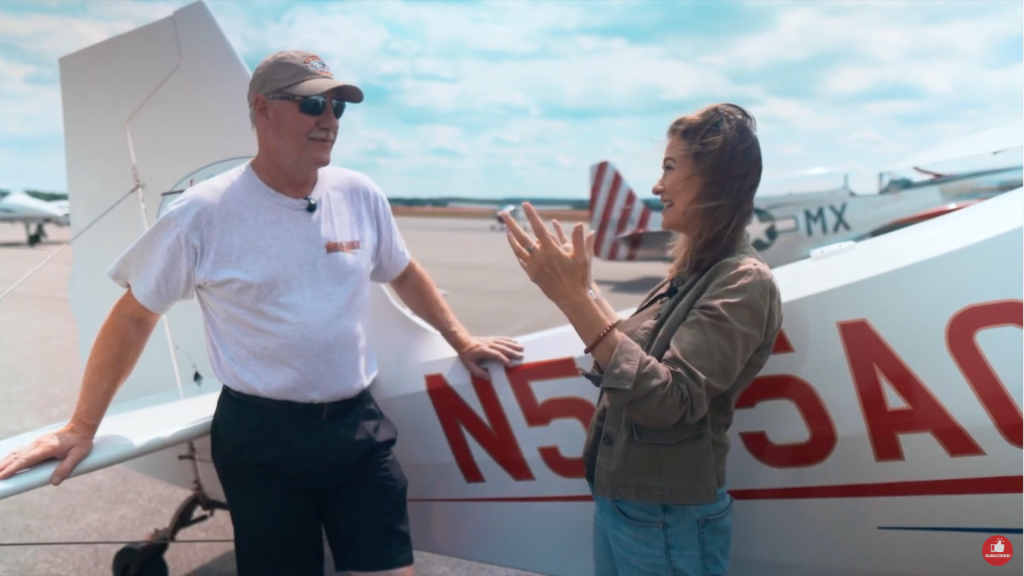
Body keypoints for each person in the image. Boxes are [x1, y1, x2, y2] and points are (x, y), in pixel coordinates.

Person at [0, 50, 524, 576]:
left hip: (356, 426)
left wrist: (461, 340)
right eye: (313, 104)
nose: (329, 119)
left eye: (338, 107)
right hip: (262, 437)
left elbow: (403, 271)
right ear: (263, 109)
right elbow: (134, 317)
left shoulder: (360, 193)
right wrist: (81, 425)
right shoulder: (203, 212)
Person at [501, 103, 782, 576]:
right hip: (631, 508)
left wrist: (574, 299)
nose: (657, 186)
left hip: (667, 520)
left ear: (713, 180)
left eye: (670, 168)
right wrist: (584, 289)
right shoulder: (695, 273)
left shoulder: (743, 281)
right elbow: (632, 351)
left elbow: (669, 401)